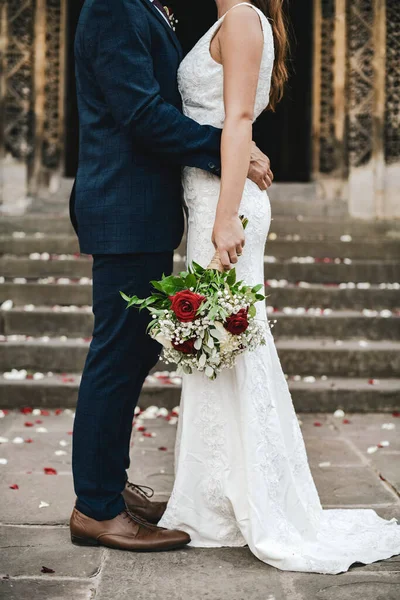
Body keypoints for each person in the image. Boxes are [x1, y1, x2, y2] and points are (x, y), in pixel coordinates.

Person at [158, 0, 400, 574]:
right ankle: (218, 498)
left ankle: (243, 503)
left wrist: (223, 221)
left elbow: (239, 120)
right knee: (225, 348)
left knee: (230, 343)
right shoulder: (234, 20)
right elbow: (225, 119)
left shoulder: (241, 18)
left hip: (225, 205)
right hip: (212, 196)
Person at [69, 0, 273, 551]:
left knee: (133, 353)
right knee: (116, 354)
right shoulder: (113, 8)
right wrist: (225, 151)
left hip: (144, 210)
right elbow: (139, 113)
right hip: (123, 206)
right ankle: (96, 507)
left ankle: (109, 487)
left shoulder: (146, 8)